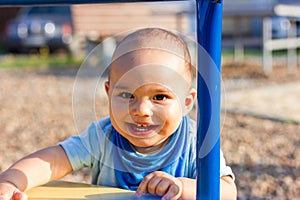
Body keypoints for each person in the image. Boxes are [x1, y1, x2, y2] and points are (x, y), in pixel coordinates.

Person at [0, 28, 237, 200]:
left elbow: (227, 190)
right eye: (127, 96)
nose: (141, 111)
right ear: (108, 92)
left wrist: (185, 187)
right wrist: (12, 180)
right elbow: (53, 161)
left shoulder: (195, 140)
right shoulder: (103, 136)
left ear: (187, 102)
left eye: (160, 97)